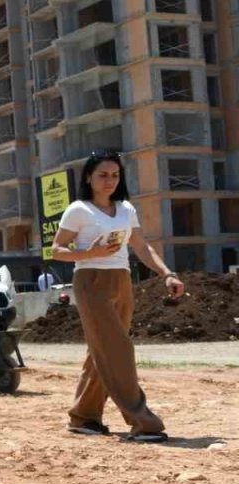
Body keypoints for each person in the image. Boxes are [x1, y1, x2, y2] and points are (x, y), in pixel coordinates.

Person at [50, 150, 184, 444]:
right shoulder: (78, 210)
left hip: (122, 280)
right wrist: (90, 253)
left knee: (103, 350)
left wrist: (167, 274)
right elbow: (56, 250)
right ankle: (143, 423)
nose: (109, 180)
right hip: (91, 281)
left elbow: (141, 246)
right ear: (89, 177)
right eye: (103, 175)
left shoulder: (126, 209)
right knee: (118, 350)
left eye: (115, 175)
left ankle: (84, 416)